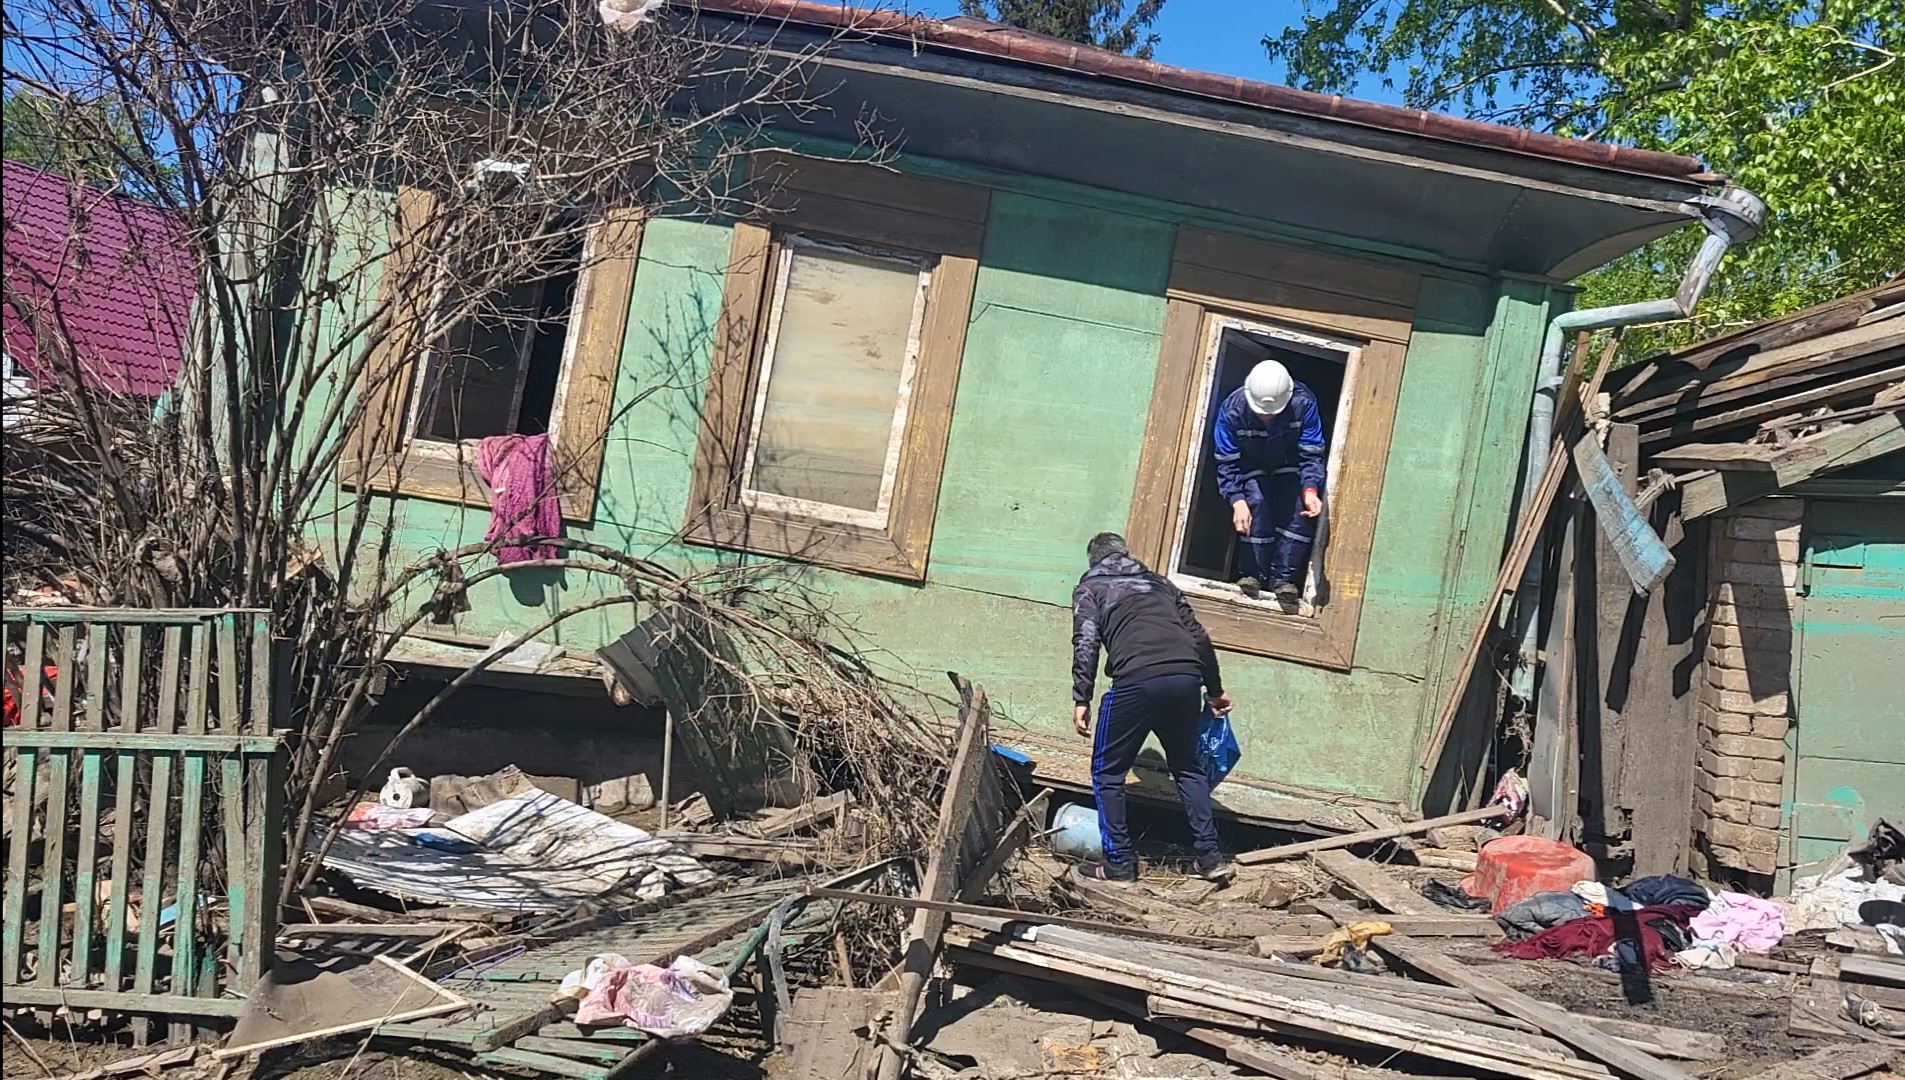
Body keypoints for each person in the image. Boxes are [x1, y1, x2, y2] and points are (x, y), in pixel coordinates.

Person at [1070, 531, 1234, 883]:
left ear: (1094, 561)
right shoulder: (1160, 584)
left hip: (1137, 681)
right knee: (1187, 767)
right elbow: (1199, 636)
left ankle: (1118, 864)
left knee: (1107, 772)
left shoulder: (1091, 588)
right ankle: (1209, 857)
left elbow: (1086, 642)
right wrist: (1214, 690)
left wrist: (1081, 697)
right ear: (1126, 554)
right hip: (1185, 678)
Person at [1212, 359, 1326, 601]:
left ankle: (1284, 580)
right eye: (1260, 412)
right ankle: (1252, 574)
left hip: (1290, 461)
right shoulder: (1231, 411)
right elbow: (1227, 462)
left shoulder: (1304, 404)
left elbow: (1311, 452)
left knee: (1298, 509)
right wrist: (1237, 500)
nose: (1266, 417)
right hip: (1250, 463)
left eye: (1273, 412)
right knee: (1256, 502)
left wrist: (1310, 490)